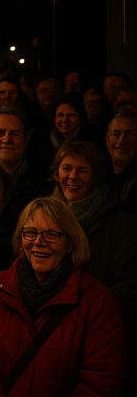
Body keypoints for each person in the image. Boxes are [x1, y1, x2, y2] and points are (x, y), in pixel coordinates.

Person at [0, 197, 126, 397]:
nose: (38, 242)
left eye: (51, 235)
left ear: (70, 243)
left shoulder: (97, 302)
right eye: (30, 233)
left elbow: (100, 381)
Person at [50, 139, 137, 383]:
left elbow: (127, 285)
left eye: (82, 170)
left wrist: (83, 324)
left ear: (95, 177)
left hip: (95, 339)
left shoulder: (118, 222)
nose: (73, 176)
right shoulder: (43, 215)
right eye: (67, 168)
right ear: (56, 174)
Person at [0, 107, 50, 219]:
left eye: (15, 134)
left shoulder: (43, 180)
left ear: (26, 139)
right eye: (0, 133)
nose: (7, 140)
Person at [107, 113, 137, 205]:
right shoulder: (97, 173)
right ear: (107, 140)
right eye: (115, 134)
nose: (121, 140)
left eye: (129, 134)